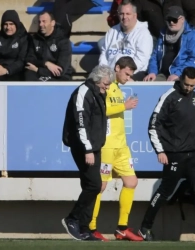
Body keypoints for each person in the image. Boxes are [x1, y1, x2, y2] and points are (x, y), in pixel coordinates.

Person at [138, 67, 195, 242]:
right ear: (180, 80)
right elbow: (153, 125)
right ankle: (145, 227)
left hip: (194, 154)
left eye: (192, 85)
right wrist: (160, 150)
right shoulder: (169, 96)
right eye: (186, 84)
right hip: (174, 154)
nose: (188, 88)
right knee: (164, 191)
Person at [89, 56, 143, 241]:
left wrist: (122, 104)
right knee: (101, 185)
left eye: (130, 75)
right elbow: (100, 109)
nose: (128, 78)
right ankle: (91, 227)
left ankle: (122, 228)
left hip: (121, 146)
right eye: (126, 73)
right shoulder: (105, 86)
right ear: (117, 68)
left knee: (131, 182)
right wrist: (124, 106)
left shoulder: (118, 89)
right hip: (107, 146)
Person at [61, 65, 114, 241]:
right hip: (84, 147)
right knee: (94, 185)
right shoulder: (83, 92)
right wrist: (88, 149)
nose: (107, 87)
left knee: (91, 186)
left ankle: (85, 228)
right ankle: (72, 218)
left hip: (94, 146)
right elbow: (80, 124)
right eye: (106, 83)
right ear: (96, 79)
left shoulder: (99, 93)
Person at [144, 6, 195, 82]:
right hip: (163, 74)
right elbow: (155, 56)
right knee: (149, 83)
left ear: (182, 19)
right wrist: (152, 72)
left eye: (174, 20)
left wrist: (178, 74)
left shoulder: (193, 35)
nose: (171, 23)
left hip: (183, 75)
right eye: (169, 20)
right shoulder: (163, 33)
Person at [99, 0, 153, 81]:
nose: (124, 17)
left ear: (135, 15)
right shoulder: (112, 32)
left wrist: (124, 74)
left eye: (128, 14)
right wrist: (105, 74)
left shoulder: (143, 33)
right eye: (121, 14)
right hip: (110, 76)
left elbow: (141, 61)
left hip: (133, 75)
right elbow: (104, 55)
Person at [25, 11, 72, 81]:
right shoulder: (34, 39)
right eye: (39, 22)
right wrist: (46, 63)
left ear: (52, 23)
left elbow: (59, 71)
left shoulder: (63, 41)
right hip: (39, 74)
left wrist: (38, 70)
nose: (41, 24)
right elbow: (29, 60)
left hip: (57, 78)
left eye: (44, 21)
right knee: (27, 74)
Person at [0, 10, 29, 81]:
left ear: (16, 25)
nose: (8, 27)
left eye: (11, 24)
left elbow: (22, 61)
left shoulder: (24, 38)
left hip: (15, 72)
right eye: (5, 24)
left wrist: (6, 70)